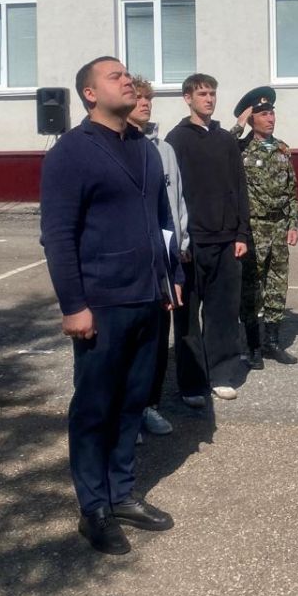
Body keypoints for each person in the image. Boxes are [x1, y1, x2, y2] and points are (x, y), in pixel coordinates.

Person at [40, 56, 183, 554]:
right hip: (102, 303)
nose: (127, 81)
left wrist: (172, 276)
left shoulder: (144, 148)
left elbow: (164, 221)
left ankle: (121, 494)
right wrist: (73, 305)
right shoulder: (71, 152)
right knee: (95, 407)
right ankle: (93, 508)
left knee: (133, 402)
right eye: (114, 76)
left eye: (127, 75)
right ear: (90, 94)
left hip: (149, 297)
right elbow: (58, 236)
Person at [165, 73, 250, 402]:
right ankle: (192, 384)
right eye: (202, 94)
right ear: (188, 98)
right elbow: (172, 195)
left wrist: (241, 233)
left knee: (224, 313)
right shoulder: (177, 139)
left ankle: (222, 374)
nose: (209, 99)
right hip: (192, 244)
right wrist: (180, 242)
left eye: (212, 93)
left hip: (226, 241)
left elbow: (239, 187)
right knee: (187, 318)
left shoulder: (225, 139)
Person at [128, 76, 189, 436]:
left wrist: (179, 247)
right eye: (138, 97)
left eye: (148, 98)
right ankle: (127, 415)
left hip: (163, 260)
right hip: (131, 264)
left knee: (155, 342)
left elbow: (176, 203)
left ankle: (149, 405)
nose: (145, 103)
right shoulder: (120, 148)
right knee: (129, 346)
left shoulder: (164, 149)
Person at [231, 86, 298, 367]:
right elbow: (221, 146)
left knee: (276, 285)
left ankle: (272, 343)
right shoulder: (240, 149)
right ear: (251, 119)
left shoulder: (283, 149)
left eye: (271, 113)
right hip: (254, 227)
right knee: (251, 288)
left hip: (279, 227)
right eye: (263, 114)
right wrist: (239, 123)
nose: (270, 118)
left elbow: (292, 190)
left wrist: (293, 223)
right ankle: (253, 347)